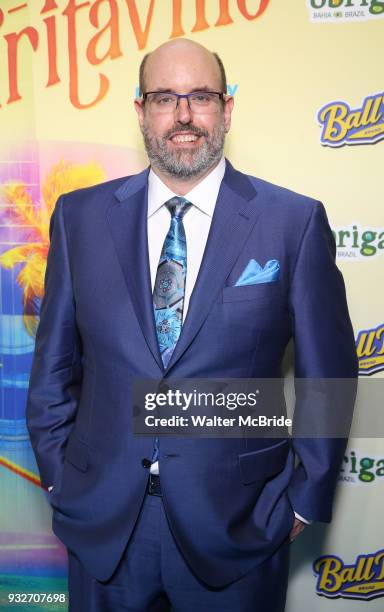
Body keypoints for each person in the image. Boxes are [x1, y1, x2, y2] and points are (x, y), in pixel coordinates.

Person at [26, 39, 358, 611]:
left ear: (227, 109)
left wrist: (305, 498)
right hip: (104, 523)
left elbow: (329, 376)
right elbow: (53, 366)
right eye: (163, 98)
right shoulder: (78, 217)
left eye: (200, 97)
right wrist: (61, 478)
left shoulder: (293, 222)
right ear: (140, 112)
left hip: (238, 526)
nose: (183, 115)